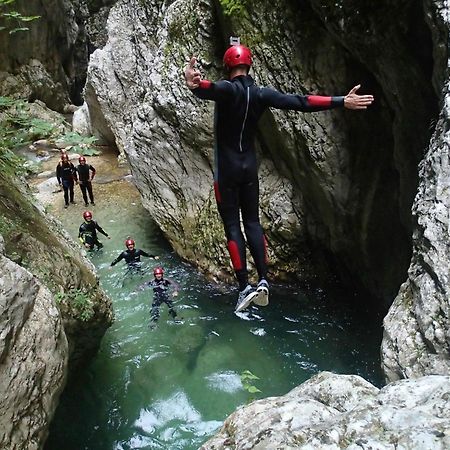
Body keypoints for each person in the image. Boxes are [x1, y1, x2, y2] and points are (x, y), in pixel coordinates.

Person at [184, 37, 374, 313]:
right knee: (252, 221)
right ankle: (263, 280)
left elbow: (206, 88)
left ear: (227, 67)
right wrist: (341, 100)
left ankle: (243, 287)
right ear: (250, 65)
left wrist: (194, 83)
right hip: (249, 167)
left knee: (232, 226)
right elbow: (301, 101)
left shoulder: (226, 90)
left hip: (226, 171)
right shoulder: (262, 94)